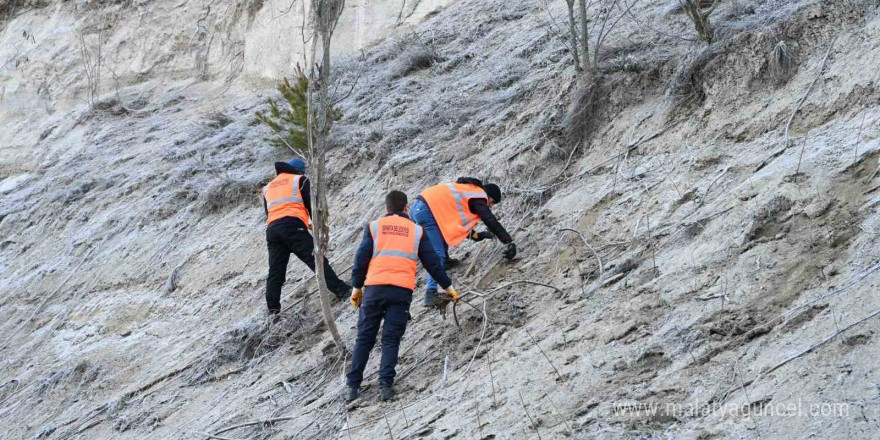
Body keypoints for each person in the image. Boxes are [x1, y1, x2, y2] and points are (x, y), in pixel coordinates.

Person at [345, 190, 458, 402]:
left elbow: (361, 258)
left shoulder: (374, 227)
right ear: (406, 208)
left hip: (374, 290)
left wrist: (356, 287)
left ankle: (352, 388)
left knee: (364, 338)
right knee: (391, 339)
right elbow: (432, 263)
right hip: (400, 292)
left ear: (387, 209)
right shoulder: (417, 231)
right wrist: (448, 286)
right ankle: (385, 387)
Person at [262, 158, 351, 315]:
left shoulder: (268, 187)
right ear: (300, 170)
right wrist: (319, 227)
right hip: (292, 227)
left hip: (272, 231)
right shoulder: (300, 179)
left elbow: (271, 213)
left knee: (276, 273)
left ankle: (273, 312)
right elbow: (313, 208)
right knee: (316, 260)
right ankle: (341, 290)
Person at [411, 177, 516, 306]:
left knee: (441, 236)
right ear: (488, 195)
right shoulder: (479, 196)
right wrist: (508, 242)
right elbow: (490, 220)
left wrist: (478, 236)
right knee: (438, 255)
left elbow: (456, 225)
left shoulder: (467, 191)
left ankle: (446, 262)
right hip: (427, 211)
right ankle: (430, 293)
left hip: (418, 207)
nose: (490, 206)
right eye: (492, 202)